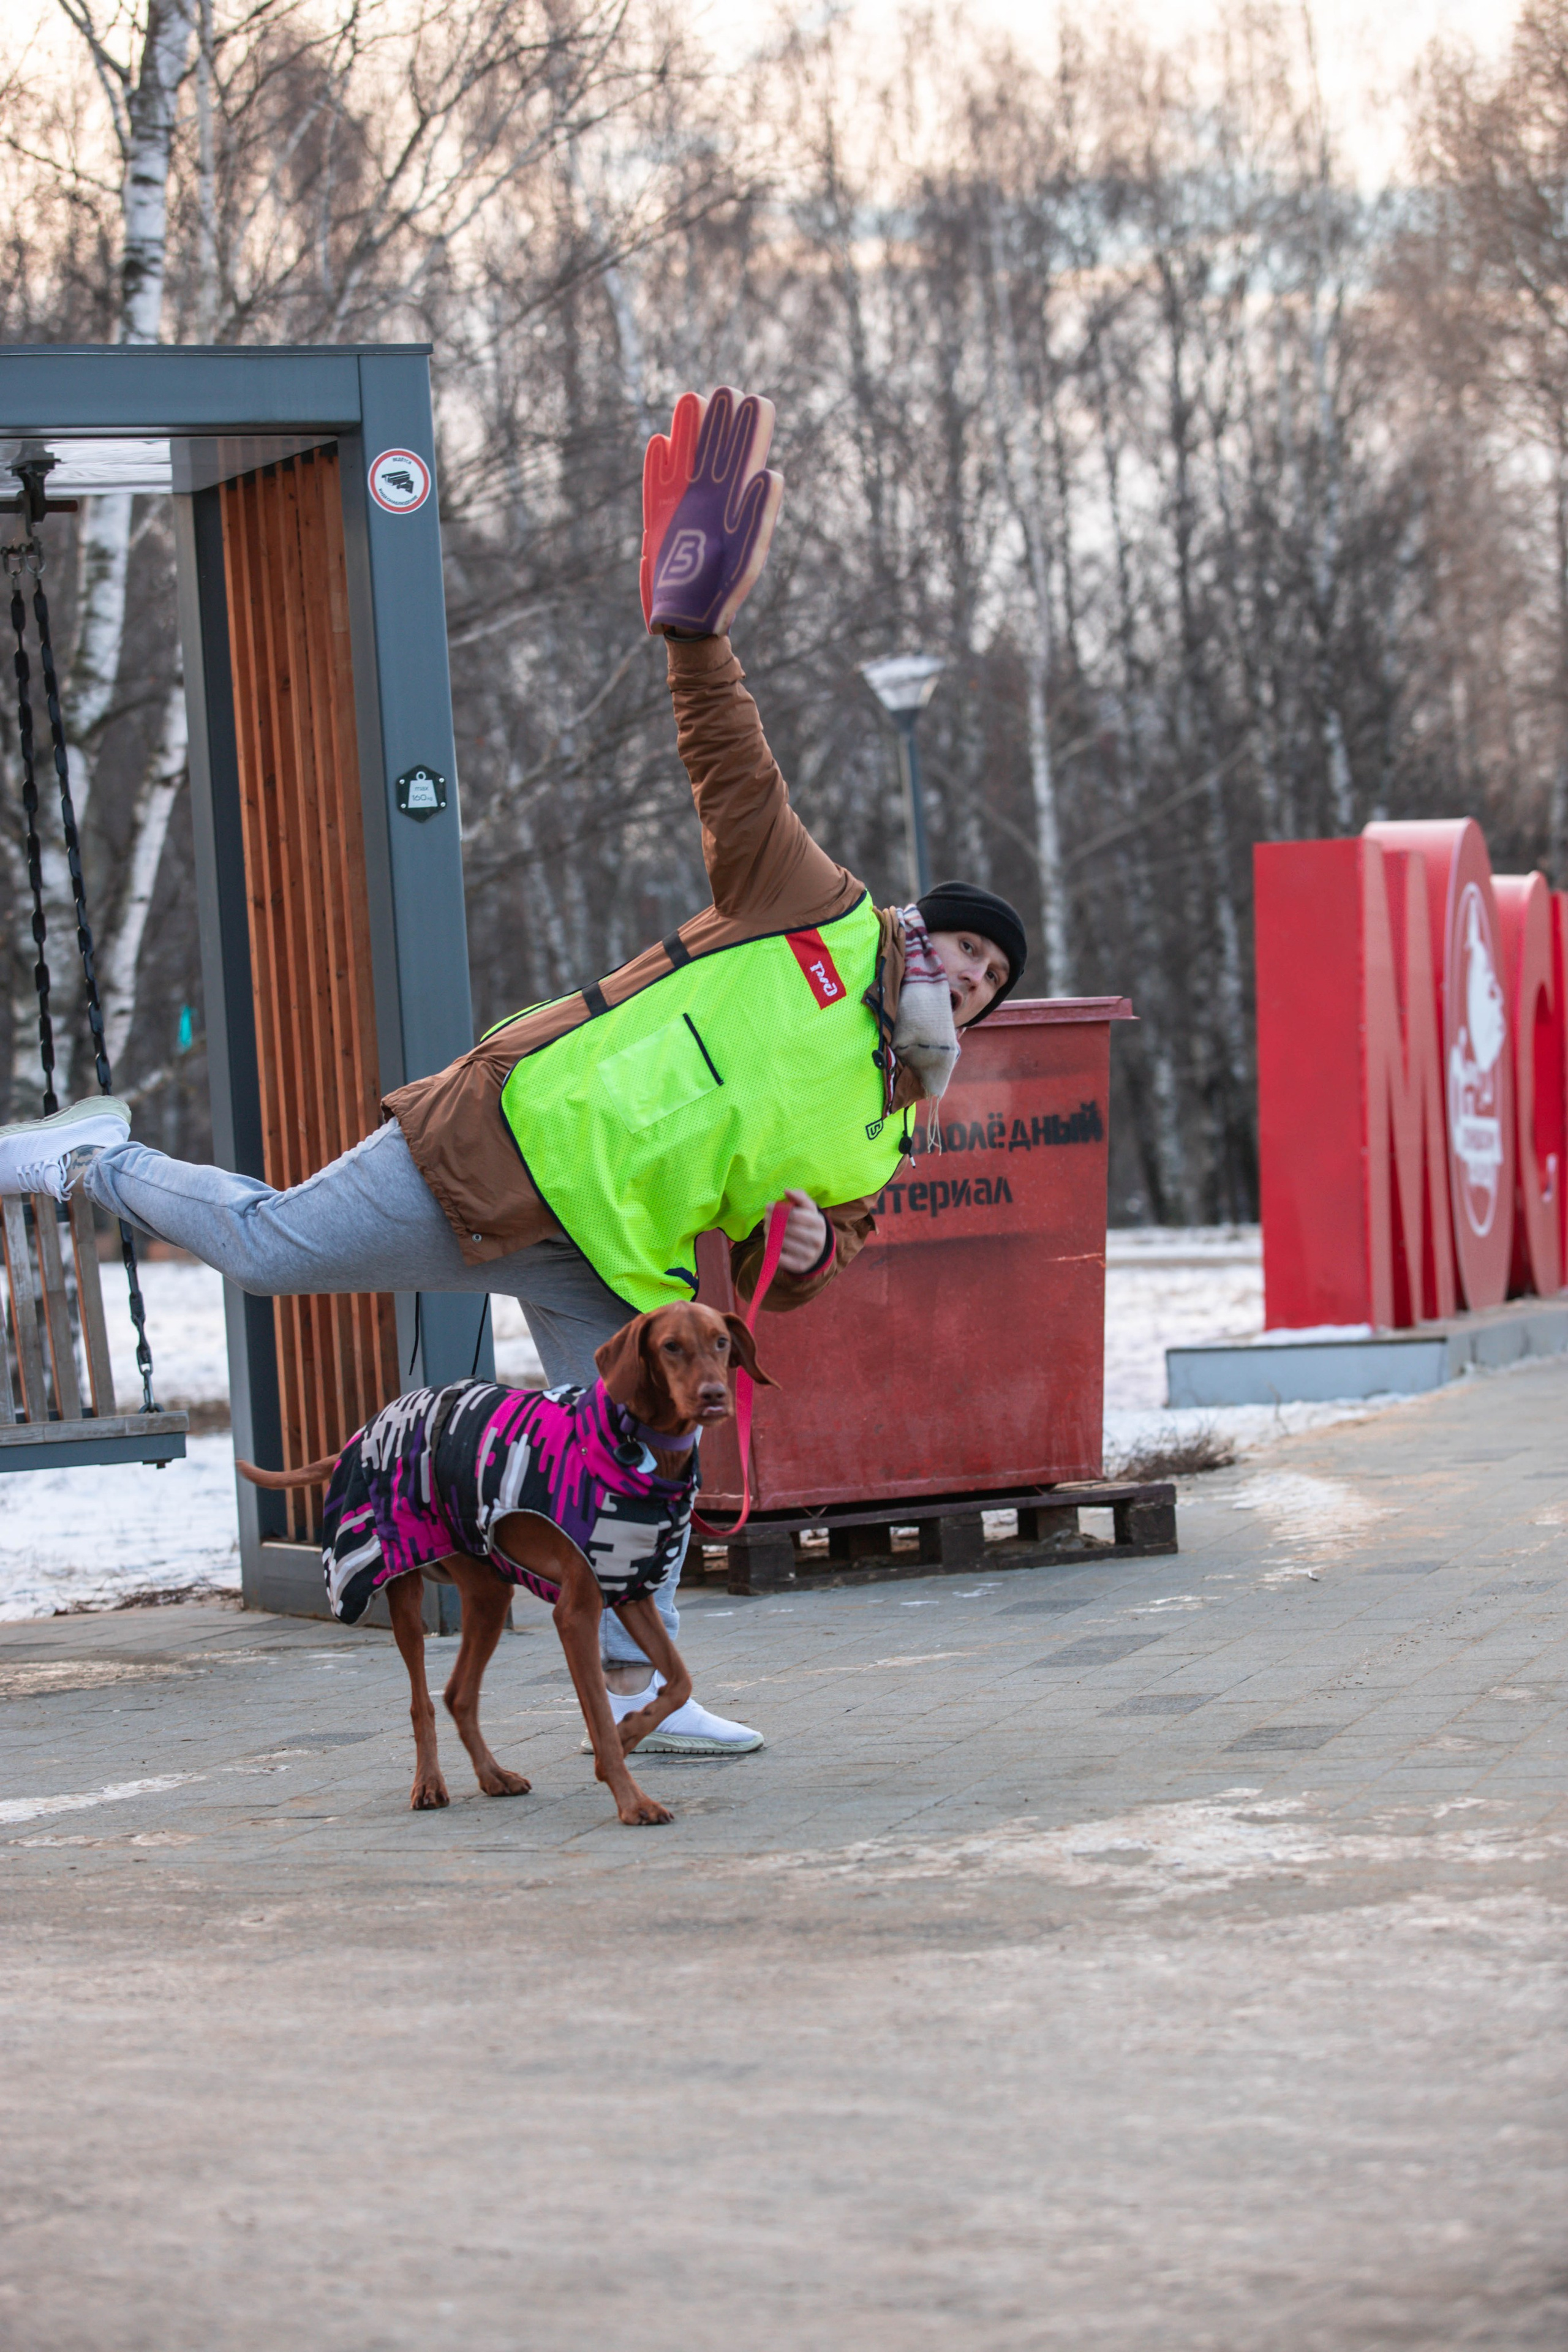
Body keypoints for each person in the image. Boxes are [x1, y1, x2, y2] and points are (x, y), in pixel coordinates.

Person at [0, 386, 1028, 1754]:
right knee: (269, 1250)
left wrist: (797, 1255)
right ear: (919, 928)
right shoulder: (816, 910)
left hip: (608, 1258)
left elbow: (807, 1260)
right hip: (500, 1146)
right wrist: (696, 634)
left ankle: (645, 1690)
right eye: (962, 947)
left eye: (989, 978)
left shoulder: (885, 1126)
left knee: (641, 1444)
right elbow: (734, 774)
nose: (967, 975)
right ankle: (91, 1155)